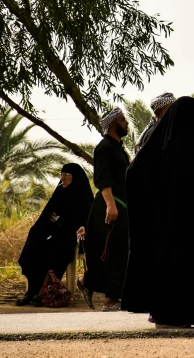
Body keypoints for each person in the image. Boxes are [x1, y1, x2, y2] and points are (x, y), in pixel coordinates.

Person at [121, 97, 194, 327]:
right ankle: (182, 314)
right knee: (191, 265)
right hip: (186, 219)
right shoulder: (181, 144)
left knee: (182, 267)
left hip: (174, 221)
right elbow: (189, 181)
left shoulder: (164, 144)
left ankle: (186, 313)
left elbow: (137, 173)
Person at [16, 163, 94, 306]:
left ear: (75, 178)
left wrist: (63, 222)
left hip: (71, 237)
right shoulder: (59, 192)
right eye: (61, 174)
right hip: (54, 233)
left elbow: (85, 219)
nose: (63, 178)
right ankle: (32, 291)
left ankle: (43, 291)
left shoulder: (82, 195)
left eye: (67, 175)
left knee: (54, 250)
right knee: (34, 247)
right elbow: (48, 215)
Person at [76, 108, 130, 312]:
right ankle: (110, 300)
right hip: (109, 206)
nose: (126, 123)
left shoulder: (118, 148)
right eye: (123, 120)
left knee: (117, 252)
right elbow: (103, 179)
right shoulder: (105, 147)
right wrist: (110, 205)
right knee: (115, 252)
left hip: (120, 205)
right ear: (114, 124)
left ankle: (86, 282)